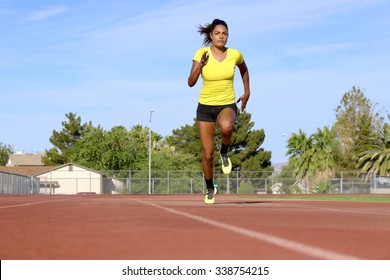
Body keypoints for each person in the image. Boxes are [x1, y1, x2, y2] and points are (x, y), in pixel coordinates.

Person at [187, 19, 251, 204]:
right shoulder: (201, 53)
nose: (221, 36)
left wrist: (247, 91)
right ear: (211, 35)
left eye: (224, 33)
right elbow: (190, 82)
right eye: (217, 33)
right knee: (207, 154)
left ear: (227, 36)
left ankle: (224, 151)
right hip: (205, 107)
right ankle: (209, 188)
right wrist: (200, 66)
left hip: (226, 104)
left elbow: (244, 69)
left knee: (227, 126)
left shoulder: (234, 54)